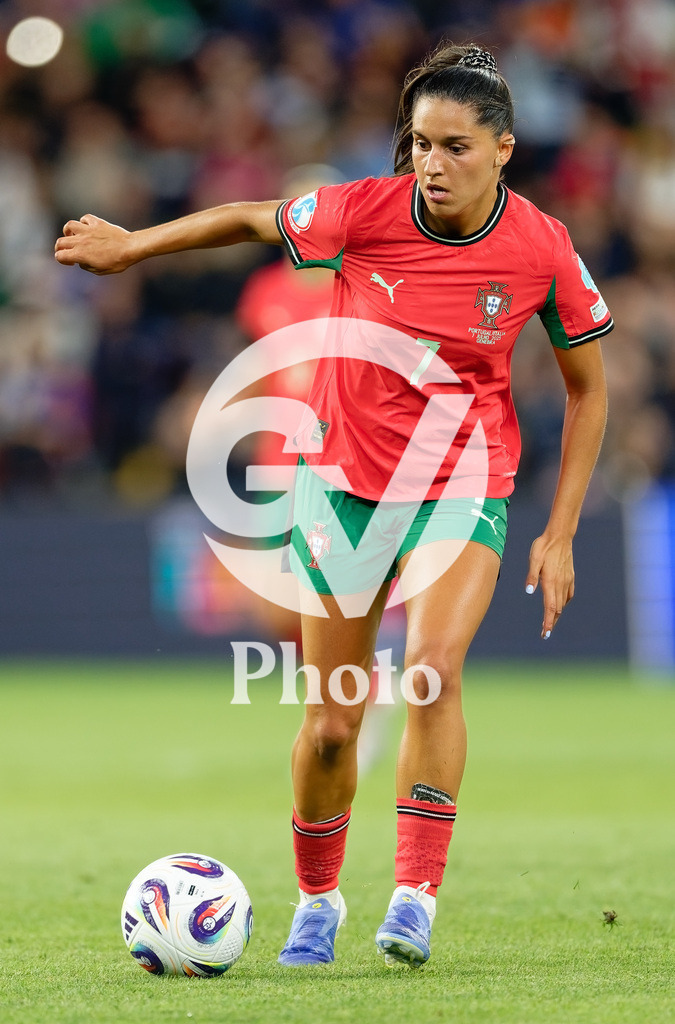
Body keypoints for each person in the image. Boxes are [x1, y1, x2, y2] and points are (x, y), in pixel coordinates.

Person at [54, 42, 612, 969]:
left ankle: (414, 898)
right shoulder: (365, 209)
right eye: (420, 143)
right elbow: (248, 218)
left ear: (504, 148)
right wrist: (134, 248)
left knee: (430, 670)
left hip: (460, 486)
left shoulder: (541, 248)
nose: (431, 163)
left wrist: (558, 531)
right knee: (330, 722)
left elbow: (589, 389)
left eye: (455, 146)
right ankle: (317, 902)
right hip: (343, 488)